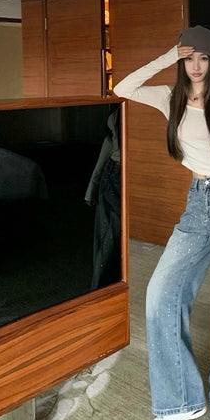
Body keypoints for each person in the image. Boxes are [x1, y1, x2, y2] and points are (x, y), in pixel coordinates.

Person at [113, 25, 210, 420]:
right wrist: (166, 56)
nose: (195, 66)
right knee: (160, 293)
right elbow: (123, 87)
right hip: (196, 203)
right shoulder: (169, 97)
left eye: (203, 58)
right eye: (189, 57)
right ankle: (180, 400)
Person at [84, 105, 121, 290]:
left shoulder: (120, 113)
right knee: (111, 234)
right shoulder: (118, 115)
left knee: (111, 233)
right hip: (114, 176)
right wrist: (91, 189)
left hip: (115, 173)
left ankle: (102, 284)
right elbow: (107, 150)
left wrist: (91, 189)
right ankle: (100, 285)